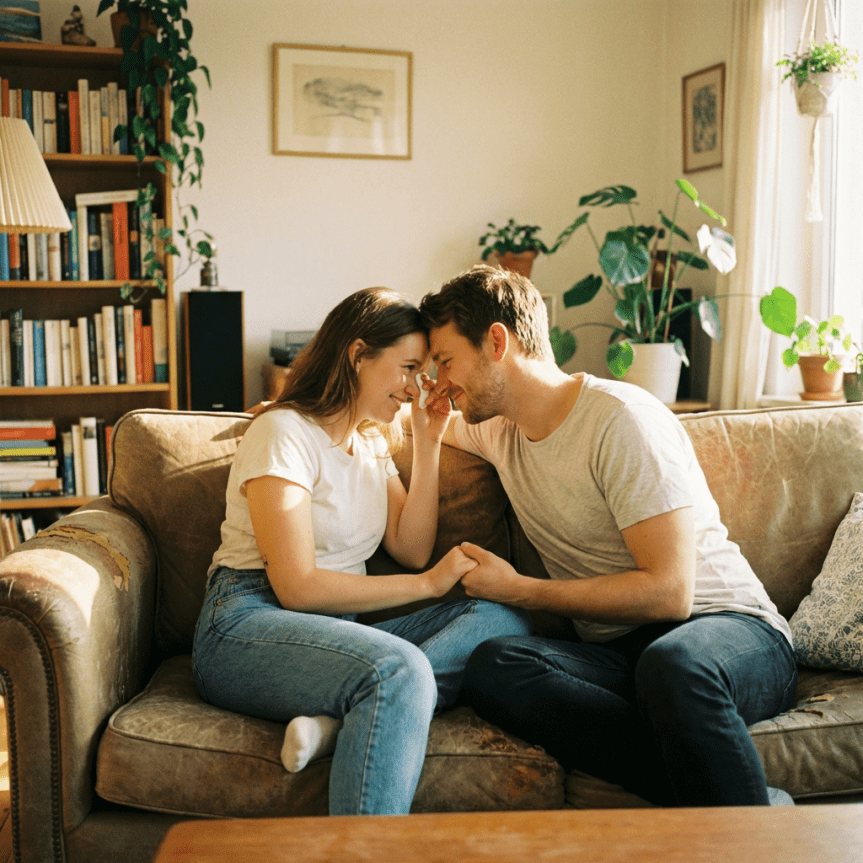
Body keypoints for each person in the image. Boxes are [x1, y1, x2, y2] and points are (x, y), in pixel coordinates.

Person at [416, 265, 798, 807]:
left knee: (673, 668)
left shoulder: (621, 419)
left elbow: (669, 594)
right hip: (626, 652)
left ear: (496, 342)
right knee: (495, 665)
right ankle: (741, 794)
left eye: (446, 361)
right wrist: (299, 414)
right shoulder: (497, 429)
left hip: (727, 631)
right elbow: (390, 420)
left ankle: (747, 837)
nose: (441, 382)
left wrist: (518, 589)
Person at [192, 286, 532, 816]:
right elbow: (298, 587)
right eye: (408, 369)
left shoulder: (371, 442)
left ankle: (340, 721)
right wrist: (425, 588)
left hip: (339, 630)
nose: (416, 387)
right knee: (401, 671)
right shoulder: (283, 432)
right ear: (356, 355)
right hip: (245, 623)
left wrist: (429, 438)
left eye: (423, 373)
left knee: (501, 617)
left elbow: (411, 547)